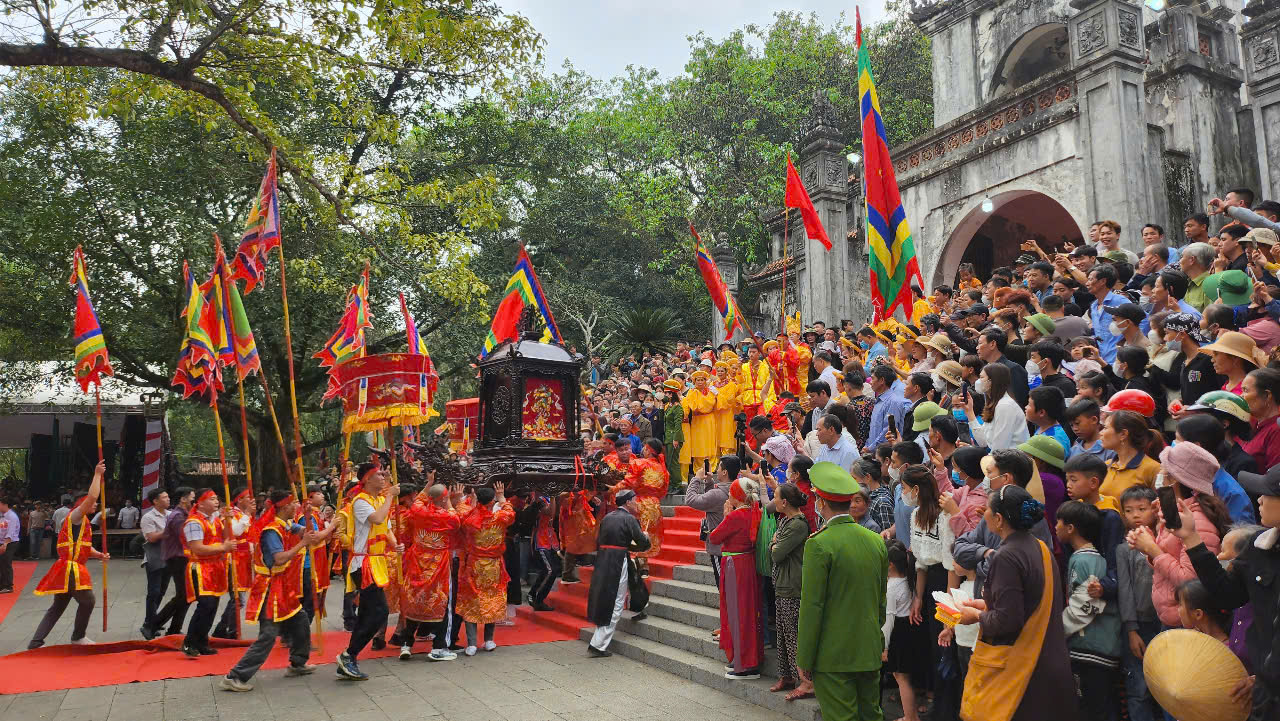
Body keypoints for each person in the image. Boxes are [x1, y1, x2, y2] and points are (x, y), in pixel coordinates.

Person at [953, 484, 1078, 721]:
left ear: (998, 519)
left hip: (1023, 671)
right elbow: (1027, 602)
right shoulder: (1040, 547)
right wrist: (986, 605)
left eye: (987, 509)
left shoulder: (1006, 556)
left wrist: (975, 616)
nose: (984, 513)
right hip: (1049, 661)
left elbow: (1007, 620)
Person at [796, 461, 888, 721]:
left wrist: (805, 656)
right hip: (868, 648)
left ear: (821, 503)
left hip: (833, 654)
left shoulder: (819, 544)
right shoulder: (875, 541)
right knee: (871, 714)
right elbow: (880, 600)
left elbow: (812, 606)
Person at [220, 491, 320, 692]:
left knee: (300, 619)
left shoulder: (285, 524)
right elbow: (279, 559)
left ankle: (297, 662)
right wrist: (303, 543)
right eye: (293, 504)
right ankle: (236, 675)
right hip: (269, 587)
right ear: (284, 508)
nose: (296, 507)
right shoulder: (271, 531)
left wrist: (308, 516)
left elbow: (307, 532)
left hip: (281, 585)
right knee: (268, 634)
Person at [1125, 442, 1227, 628]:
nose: (1159, 476)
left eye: (1164, 471)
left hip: (1187, 620)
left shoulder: (1197, 521)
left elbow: (1191, 581)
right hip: (1173, 614)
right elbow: (1170, 557)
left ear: (1174, 480)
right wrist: (1146, 542)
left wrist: (1153, 549)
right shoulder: (1174, 512)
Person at [1055, 501, 1122, 721]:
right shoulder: (1086, 557)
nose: (1055, 527)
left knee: (1092, 709)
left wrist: (1056, 633)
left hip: (1092, 649)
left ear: (1071, 528)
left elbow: (1085, 606)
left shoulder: (1084, 560)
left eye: (1059, 522)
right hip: (1096, 647)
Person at [30, 461, 108, 648]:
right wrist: (97, 474)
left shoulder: (84, 523)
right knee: (88, 601)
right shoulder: (75, 516)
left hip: (69, 567)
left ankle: (36, 641)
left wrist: (99, 555)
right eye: (92, 503)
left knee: (58, 605)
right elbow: (91, 496)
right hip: (70, 568)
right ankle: (78, 636)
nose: (95, 505)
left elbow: (84, 547)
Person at [337, 462, 401, 681]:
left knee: (367, 613)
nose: (383, 477)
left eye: (384, 474)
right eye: (379, 474)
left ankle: (349, 657)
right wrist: (391, 497)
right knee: (380, 612)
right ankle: (349, 654)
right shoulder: (360, 501)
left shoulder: (380, 500)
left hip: (377, 562)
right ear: (366, 479)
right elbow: (377, 519)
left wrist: (395, 545)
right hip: (363, 564)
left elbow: (387, 528)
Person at [399, 482, 463, 661]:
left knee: (414, 602)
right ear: (443, 499)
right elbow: (457, 521)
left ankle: (406, 644)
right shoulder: (447, 516)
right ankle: (438, 647)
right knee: (442, 603)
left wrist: (427, 484)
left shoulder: (418, 511)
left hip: (417, 563)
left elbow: (419, 500)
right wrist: (449, 501)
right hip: (438, 566)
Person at [1115, 485, 1163, 721]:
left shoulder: (1166, 539)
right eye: (1128, 510)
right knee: (1139, 688)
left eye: (1141, 509)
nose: (1135, 515)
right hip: (1139, 625)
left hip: (1164, 622)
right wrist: (1131, 629)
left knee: (1166, 685)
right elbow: (1124, 590)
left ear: (1155, 509)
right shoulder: (1125, 549)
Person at [710, 477, 765, 680]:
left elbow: (715, 537)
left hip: (736, 567)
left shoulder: (736, 516)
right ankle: (747, 659)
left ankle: (745, 664)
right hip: (747, 564)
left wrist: (726, 516)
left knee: (737, 612)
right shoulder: (754, 511)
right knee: (747, 612)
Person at [585, 488, 651, 657]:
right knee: (616, 601)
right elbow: (643, 544)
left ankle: (599, 640)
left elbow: (599, 540)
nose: (636, 503)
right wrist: (645, 536)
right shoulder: (630, 519)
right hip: (617, 560)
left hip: (603, 559)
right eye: (634, 500)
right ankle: (598, 644)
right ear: (628, 502)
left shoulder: (607, 518)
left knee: (606, 597)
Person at [457, 483, 515, 656]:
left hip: (474, 565)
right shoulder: (500, 518)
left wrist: (463, 498)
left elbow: (461, 510)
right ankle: (489, 639)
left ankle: (472, 643)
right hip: (494, 566)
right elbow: (510, 512)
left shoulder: (468, 519)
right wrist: (502, 497)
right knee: (492, 599)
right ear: (492, 502)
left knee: (471, 601)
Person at [178, 488, 236, 657]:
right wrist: (223, 548)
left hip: (216, 566)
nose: (216, 501)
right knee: (205, 605)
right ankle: (190, 642)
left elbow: (226, 536)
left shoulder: (216, 519)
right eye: (211, 499)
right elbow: (197, 547)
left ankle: (202, 641)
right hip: (201, 567)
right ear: (201, 503)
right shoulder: (194, 522)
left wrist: (227, 520)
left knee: (212, 606)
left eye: (216, 498)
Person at [766, 483, 810, 698]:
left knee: (794, 635)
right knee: (783, 635)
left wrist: (774, 544)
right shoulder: (785, 521)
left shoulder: (798, 525)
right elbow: (774, 547)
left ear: (784, 502)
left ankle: (804, 680)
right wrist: (774, 544)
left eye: (775, 497)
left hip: (793, 585)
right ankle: (787, 675)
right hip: (782, 583)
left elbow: (776, 553)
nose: (773, 501)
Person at [882, 539, 928, 721]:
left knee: (901, 677)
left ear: (890, 565)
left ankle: (910, 717)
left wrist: (884, 647)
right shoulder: (909, 580)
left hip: (898, 634)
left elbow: (889, 619)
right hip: (909, 631)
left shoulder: (891, 588)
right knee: (904, 676)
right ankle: (911, 715)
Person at [612, 438, 669, 577]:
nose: (642, 449)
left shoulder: (639, 463)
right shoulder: (662, 468)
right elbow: (663, 490)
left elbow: (628, 482)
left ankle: (634, 566)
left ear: (648, 450)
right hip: (655, 505)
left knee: (635, 533)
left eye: (644, 447)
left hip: (639, 503)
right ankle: (643, 566)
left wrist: (613, 489)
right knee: (647, 533)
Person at [150, 486, 195, 637]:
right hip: (177, 559)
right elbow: (186, 537)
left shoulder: (183, 514)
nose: (194, 502)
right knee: (183, 595)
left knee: (186, 596)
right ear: (183, 499)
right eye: (192, 498)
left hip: (182, 558)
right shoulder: (178, 517)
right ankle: (153, 624)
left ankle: (174, 629)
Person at [959, 363, 1028, 451]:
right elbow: (983, 441)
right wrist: (969, 412)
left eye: (982, 377)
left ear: (992, 381)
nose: (978, 381)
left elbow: (999, 449)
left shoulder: (1005, 406)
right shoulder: (995, 404)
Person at [1099, 410, 1161, 497]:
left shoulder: (1154, 469)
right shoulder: (1106, 465)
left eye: (1105, 428)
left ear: (1123, 434)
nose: (1100, 433)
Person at [139, 488, 170, 639]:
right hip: (155, 557)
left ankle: (152, 620)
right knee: (154, 592)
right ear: (155, 501)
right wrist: (169, 531)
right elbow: (151, 537)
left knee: (162, 591)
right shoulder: (148, 517)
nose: (168, 499)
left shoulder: (170, 515)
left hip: (169, 557)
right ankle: (149, 623)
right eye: (164, 497)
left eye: (167, 496)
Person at [527, 494, 559, 613]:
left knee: (554, 570)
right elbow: (549, 512)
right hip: (540, 539)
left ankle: (539, 599)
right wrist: (554, 496)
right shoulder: (538, 500)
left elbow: (554, 515)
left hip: (550, 538)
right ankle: (533, 594)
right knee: (549, 570)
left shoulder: (548, 498)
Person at [713, 361, 740, 456]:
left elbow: (729, 400)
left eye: (722, 371)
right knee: (716, 435)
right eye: (718, 371)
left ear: (726, 372)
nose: (720, 373)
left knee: (726, 434)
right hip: (716, 414)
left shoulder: (731, 384)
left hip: (727, 414)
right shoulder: (713, 384)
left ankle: (728, 457)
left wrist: (717, 394)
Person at [0, 497, 17, 593]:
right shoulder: (3, 515)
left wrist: (5, 544)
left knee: (6, 563)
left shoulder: (12, 516)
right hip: (2, 541)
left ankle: (8, 586)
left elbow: (11, 532)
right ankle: (2, 584)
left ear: (5, 504)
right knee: (1, 563)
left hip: (10, 542)